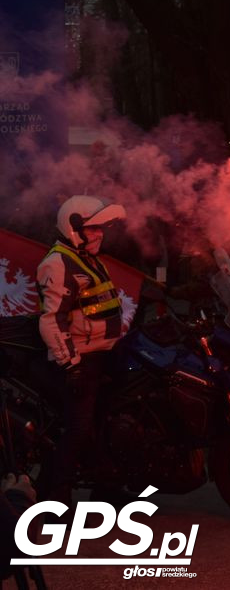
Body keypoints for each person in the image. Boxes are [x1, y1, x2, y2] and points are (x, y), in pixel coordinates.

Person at [35, 195, 127, 505]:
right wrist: (70, 364)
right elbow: (52, 321)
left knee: (104, 422)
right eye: (94, 229)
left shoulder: (88, 258)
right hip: (80, 360)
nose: (100, 234)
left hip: (102, 353)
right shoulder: (58, 263)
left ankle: (108, 490)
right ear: (74, 229)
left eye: (101, 228)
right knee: (78, 429)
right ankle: (54, 501)